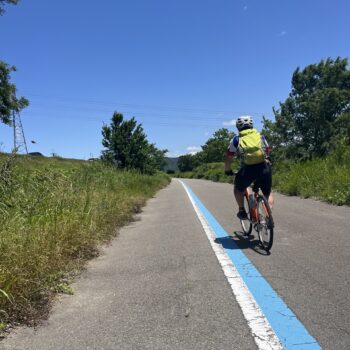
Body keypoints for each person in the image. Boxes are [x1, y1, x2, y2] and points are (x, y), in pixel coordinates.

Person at [224, 116, 274, 220]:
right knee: (267, 193)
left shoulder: (236, 140)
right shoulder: (261, 137)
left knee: (238, 189)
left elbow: (229, 157)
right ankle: (268, 217)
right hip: (264, 167)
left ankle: (242, 210)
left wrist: (228, 170)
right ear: (251, 125)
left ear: (238, 127)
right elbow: (267, 150)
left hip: (248, 170)